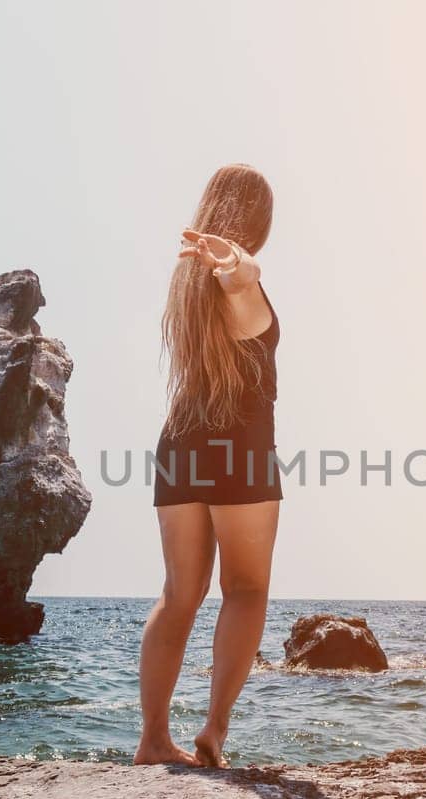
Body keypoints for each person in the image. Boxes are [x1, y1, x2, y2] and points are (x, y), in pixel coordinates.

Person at [135, 163, 282, 768]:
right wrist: (242, 272)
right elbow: (244, 290)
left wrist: (228, 273)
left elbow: (233, 288)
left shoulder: (186, 289)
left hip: (180, 446)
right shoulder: (232, 282)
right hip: (241, 451)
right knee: (245, 590)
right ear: (260, 222)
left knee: (179, 595)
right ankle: (214, 731)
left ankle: (152, 740)